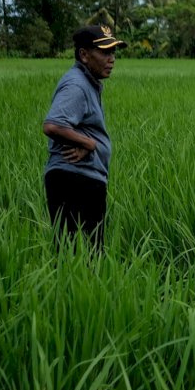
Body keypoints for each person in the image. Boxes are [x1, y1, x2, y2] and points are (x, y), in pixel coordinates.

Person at [42, 25, 126, 250]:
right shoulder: (77, 85)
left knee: (77, 258)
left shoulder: (87, 82)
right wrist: (88, 143)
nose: (112, 59)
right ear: (84, 55)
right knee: (86, 258)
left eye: (113, 53)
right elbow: (52, 125)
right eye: (105, 53)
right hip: (76, 181)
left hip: (80, 179)